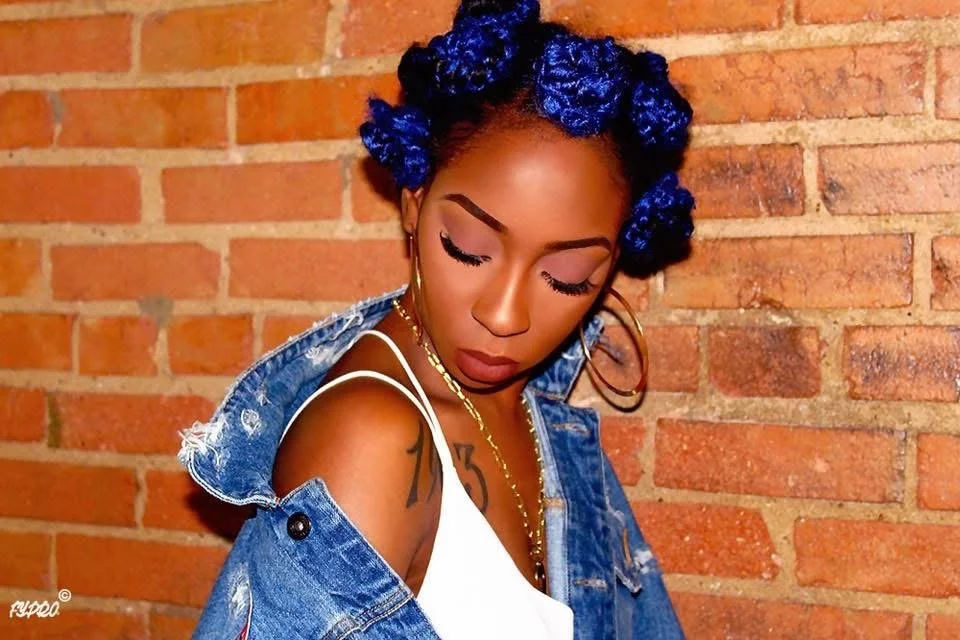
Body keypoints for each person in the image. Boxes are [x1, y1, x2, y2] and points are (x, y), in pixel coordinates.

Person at [177, 1, 695, 638]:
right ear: (413, 206)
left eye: (567, 276)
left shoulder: (542, 417)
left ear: (611, 266)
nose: (503, 316)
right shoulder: (371, 440)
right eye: (468, 248)